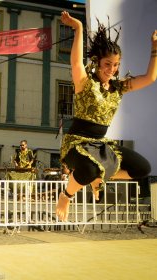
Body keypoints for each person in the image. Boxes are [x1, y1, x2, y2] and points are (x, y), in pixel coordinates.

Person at [56, 11, 156, 222]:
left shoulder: (118, 88)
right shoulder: (85, 83)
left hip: (100, 145)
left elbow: (150, 78)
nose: (111, 69)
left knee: (143, 169)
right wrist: (78, 28)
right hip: (76, 143)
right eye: (107, 64)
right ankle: (66, 196)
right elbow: (75, 63)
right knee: (89, 168)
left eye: (116, 65)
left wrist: (155, 49)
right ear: (98, 62)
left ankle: (99, 175)